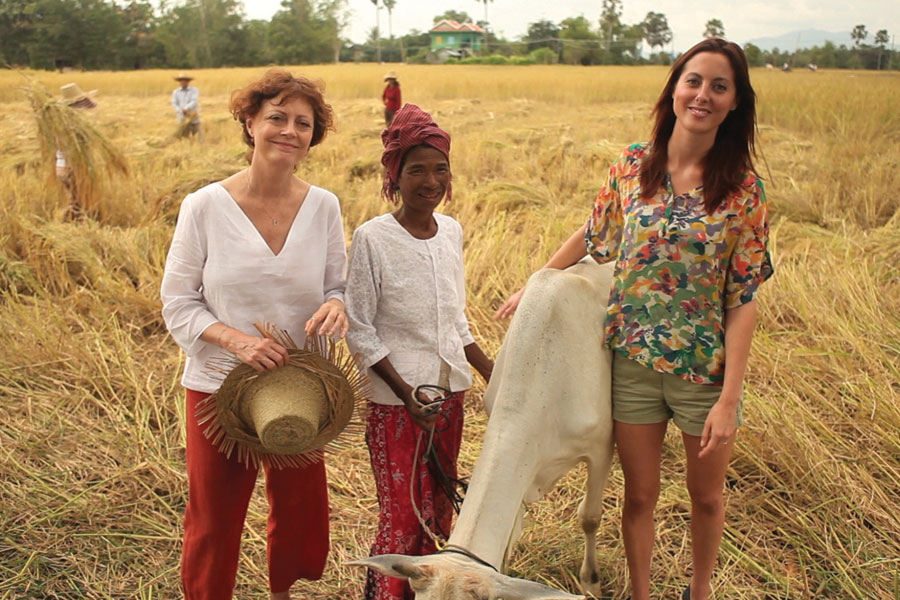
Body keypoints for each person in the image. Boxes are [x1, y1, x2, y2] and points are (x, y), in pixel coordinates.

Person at [495, 38, 773, 600]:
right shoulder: (631, 165)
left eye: (720, 87)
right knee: (640, 495)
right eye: (694, 81)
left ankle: (699, 592)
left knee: (706, 497)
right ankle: (640, 592)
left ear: (736, 102)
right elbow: (594, 232)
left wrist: (729, 398)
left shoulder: (743, 191)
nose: (703, 95)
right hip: (633, 363)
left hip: (704, 373)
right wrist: (539, 282)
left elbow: (744, 298)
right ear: (674, 87)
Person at [160, 69, 348, 600]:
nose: (289, 130)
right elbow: (178, 302)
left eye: (303, 123)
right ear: (249, 122)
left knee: (299, 510)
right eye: (276, 118)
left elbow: (339, 284)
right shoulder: (204, 206)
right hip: (221, 387)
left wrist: (337, 303)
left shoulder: (324, 206)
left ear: (314, 136)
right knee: (214, 513)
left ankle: (282, 591)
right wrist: (237, 341)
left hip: (301, 387)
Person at [345, 104, 494, 600]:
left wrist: (492, 369)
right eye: (416, 170)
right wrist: (407, 394)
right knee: (402, 515)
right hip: (398, 404)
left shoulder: (450, 231)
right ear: (394, 176)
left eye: (440, 168)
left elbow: (456, 319)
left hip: (449, 395)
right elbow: (360, 327)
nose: (430, 180)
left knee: (441, 509)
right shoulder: (373, 238)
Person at [55, 83, 97, 219]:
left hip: (62, 167)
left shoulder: (61, 122)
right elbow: (72, 151)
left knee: (75, 199)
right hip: (71, 168)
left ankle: (72, 224)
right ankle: (74, 226)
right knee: (78, 201)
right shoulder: (71, 128)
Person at [172, 73, 201, 137]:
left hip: (193, 116)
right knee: (184, 136)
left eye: (185, 80)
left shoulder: (194, 90)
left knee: (198, 135)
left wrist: (186, 108)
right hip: (182, 117)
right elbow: (174, 103)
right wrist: (180, 110)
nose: (183, 82)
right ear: (179, 81)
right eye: (181, 80)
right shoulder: (176, 92)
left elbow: (194, 101)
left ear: (188, 81)